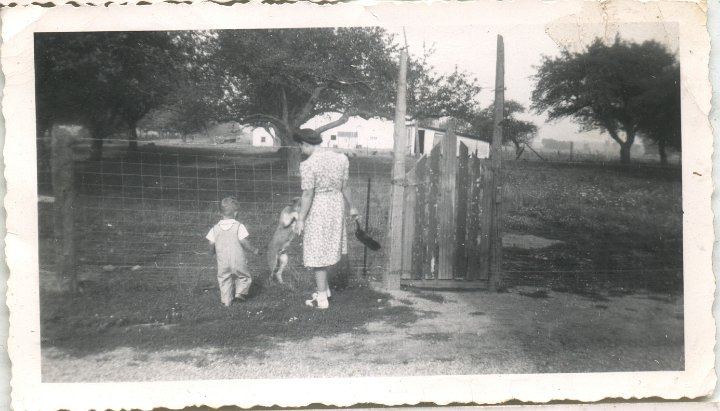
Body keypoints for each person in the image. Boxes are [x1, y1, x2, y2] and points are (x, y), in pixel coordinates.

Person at [293, 128, 359, 310]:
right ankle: (325, 290)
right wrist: (352, 206)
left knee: (316, 252)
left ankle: (322, 299)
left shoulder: (308, 164)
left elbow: (307, 194)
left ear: (306, 144)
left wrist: (300, 219)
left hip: (319, 208)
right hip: (336, 206)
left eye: (300, 146)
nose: (300, 150)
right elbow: (345, 186)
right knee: (326, 249)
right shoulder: (340, 158)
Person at [206, 196, 260, 307]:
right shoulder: (239, 226)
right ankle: (240, 293)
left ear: (221, 213)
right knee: (244, 276)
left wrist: (211, 252)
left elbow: (211, 244)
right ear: (235, 213)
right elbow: (244, 242)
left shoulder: (215, 228)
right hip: (238, 259)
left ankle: (226, 301)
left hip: (222, 261)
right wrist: (254, 250)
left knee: (224, 279)